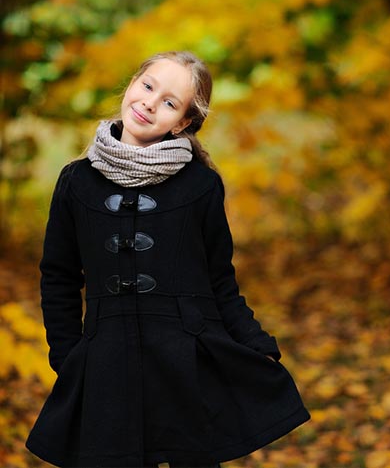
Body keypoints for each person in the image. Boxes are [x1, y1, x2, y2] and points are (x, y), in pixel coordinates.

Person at [26, 50, 310, 468]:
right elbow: (59, 278)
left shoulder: (200, 186)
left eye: (170, 102)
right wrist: (68, 357)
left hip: (186, 368)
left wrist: (255, 343)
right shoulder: (76, 182)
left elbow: (220, 281)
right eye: (148, 86)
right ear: (132, 84)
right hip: (106, 370)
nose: (150, 103)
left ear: (183, 123)